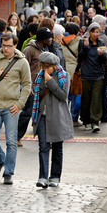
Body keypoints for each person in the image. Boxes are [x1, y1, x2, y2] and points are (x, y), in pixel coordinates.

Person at [0, 32, 31, 185]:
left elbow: (28, 85)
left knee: (11, 141)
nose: (6, 49)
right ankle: (0, 160)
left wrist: (20, 104)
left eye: (9, 46)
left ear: (15, 45)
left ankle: (8, 172)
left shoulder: (22, 62)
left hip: (12, 107)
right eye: (3, 46)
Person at [32, 52, 73, 188]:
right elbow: (38, 93)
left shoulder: (64, 76)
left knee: (57, 147)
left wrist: (50, 81)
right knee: (43, 147)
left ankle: (55, 176)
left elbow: (63, 95)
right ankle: (42, 177)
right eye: (43, 66)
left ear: (54, 66)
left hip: (57, 117)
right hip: (42, 116)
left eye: (47, 67)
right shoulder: (39, 77)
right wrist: (44, 80)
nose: (44, 70)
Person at [17, 27, 53, 146]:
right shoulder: (29, 50)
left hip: (43, 87)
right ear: (43, 39)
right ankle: (17, 136)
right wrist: (27, 86)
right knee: (27, 112)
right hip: (31, 88)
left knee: (43, 114)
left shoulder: (46, 49)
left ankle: (44, 138)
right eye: (49, 37)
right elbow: (21, 68)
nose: (51, 39)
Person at [78, 23, 107, 132]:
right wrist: (86, 48)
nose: (95, 34)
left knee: (96, 98)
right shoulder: (83, 42)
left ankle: (95, 121)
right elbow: (80, 58)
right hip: (86, 75)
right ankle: (86, 120)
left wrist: (102, 55)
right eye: (93, 32)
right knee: (86, 98)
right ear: (89, 32)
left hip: (98, 75)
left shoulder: (101, 43)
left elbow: (103, 61)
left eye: (97, 32)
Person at [62, 22, 83, 127]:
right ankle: (73, 119)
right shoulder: (79, 41)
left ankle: (63, 119)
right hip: (75, 72)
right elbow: (81, 57)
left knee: (65, 97)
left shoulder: (61, 41)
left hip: (63, 72)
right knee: (75, 96)